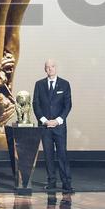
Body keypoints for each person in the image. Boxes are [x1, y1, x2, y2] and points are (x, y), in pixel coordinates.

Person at [32, 59, 72, 192]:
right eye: (47, 67)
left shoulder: (65, 84)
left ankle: (66, 182)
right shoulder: (39, 84)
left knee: (62, 155)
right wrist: (44, 120)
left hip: (59, 127)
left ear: (56, 68)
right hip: (45, 127)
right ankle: (51, 181)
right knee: (48, 155)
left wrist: (58, 120)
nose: (50, 69)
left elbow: (68, 105)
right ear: (45, 69)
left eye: (52, 66)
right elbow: (35, 104)